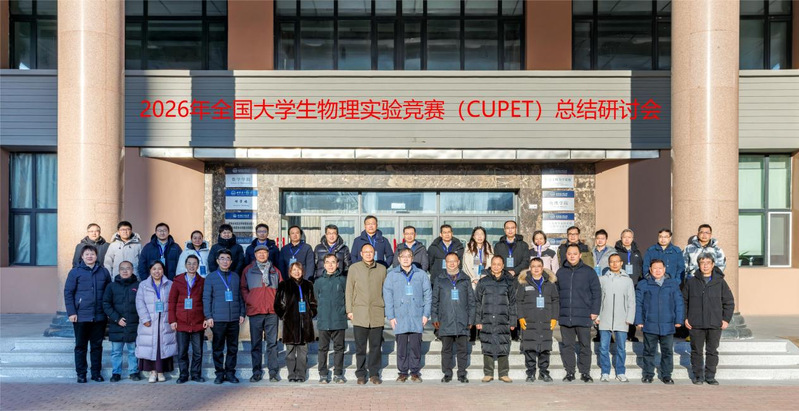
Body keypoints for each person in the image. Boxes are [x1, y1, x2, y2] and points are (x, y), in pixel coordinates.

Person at [683, 254, 735, 385]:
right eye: (702, 263)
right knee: (696, 351)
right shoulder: (691, 282)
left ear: (713, 265)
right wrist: (685, 318)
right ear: (698, 265)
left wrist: (726, 319)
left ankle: (710, 376)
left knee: (712, 351)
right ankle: (698, 376)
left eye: (708, 263)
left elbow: (729, 302)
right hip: (696, 323)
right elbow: (683, 302)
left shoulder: (720, 282)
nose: (705, 265)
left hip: (714, 323)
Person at [384, 248, 432, 383]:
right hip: (400, 315)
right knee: (401, 346)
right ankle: (403, 372)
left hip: (417, 315)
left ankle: (415, 372)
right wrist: (391, 316)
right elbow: (388, 296)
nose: (405, 259)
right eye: (403, 256)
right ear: (398, 259)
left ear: (412, 258)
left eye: (408, 256)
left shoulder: (421, 274)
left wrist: (426, 314)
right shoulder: (392, 275)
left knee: (416, 346)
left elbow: (428, 295)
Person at [65, 245, 111, 383]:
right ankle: (81, 374)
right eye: (87, 254)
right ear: (82, 256)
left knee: (97, 347)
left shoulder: (104, 272)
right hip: (81, 316)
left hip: (99, 316)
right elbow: (68, 293)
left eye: (92, 254)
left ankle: (96, 373)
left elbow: (109, 293)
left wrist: (108, 311)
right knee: (81, 346)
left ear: (96, 256)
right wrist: (72, 312)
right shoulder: (75, 272)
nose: (90, 256)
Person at [635, 259, 684, 384]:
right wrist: (639, 320)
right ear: (650, 270)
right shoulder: (643, 284)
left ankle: (666, 375)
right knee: (649, 351)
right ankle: (648, 374)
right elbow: (638, 303)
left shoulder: (672, 284)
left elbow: (679, 303)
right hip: (649, 323)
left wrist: (679, 319)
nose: (658, 271)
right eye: (655, 268)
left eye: (660, 268)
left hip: (668, 324)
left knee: (667, 352)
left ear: (664, 269)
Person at [557, 244, 601, 383]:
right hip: (566, 315)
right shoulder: (560, 272)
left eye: (575, 254)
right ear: (566, 255)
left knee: (585, 346)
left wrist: (595, 311)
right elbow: (556, 294)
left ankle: (585, 372)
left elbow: (596, 292)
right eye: (569, 254)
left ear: (580, 255)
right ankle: (570, 372)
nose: (572, 256)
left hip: (584, 315)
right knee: (567, 346)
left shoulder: (589, 272)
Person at [346, 244, 388, 385]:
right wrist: (349, 310)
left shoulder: (382, 269)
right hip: (360, 312)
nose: (368, 254)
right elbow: (349, 290)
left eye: (371, 252)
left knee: (376, 346)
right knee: (360, 347)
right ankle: (361, 374)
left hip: (377, 312)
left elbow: (386, 291)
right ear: (361, 253)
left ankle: (374, 373)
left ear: (374, 253)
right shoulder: (354, 268)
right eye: (366, 252)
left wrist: (386, 309)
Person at [240, 245, 283, 383]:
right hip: (255, 311)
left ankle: (273, 372)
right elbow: (243, 288)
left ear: (268, 254)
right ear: (255, 255)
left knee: (272, 344)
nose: (262, 255)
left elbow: (281, 289)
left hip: (271, 312)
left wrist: (277, 304)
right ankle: (256, 372)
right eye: (259, 253)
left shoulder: (275, 270)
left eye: (264, 252)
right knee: (256, 344)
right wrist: (250, 300)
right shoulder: (248, 270)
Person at [203, 249, 246, 384]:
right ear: (217, 261)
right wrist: (208, 316)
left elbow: (240, 297)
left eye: (227, 258)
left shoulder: (235, 276)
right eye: (222, 258)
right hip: (218, 319)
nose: (225, 261)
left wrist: (242, 313)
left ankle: (230, 372)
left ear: (231, 261)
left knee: (233, 348)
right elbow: (206, 298)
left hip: (233, 319)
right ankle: (219, 373)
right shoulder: (211, 277)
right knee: (218, 348)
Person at [431, 252, 475, 383]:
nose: (452, 263)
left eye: (454, 261)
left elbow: (471, 301)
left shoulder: (465, 279)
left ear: (458, 262)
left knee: (463, 350)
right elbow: (435, 301)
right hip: (445, 320)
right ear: (445, 263)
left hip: (462, 320)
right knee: (446, 350)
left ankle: (462, 373)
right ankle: (447, 373)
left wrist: (471, 319)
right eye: (449, 261)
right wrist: (435, 318)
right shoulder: (440, 279)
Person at [475, 255, 517, 383]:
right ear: (490, 265)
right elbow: (477, 302)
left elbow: (513, 302)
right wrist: (478, 320)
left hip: (503, 318)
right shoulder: (483, 282)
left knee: (503, 345)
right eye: (494, 264)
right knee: (487, 344)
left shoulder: (509, 282)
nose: (496, 267)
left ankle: (503, 373)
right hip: (486, 318)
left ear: (503, 266)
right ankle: (488, 373)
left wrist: (513, 320)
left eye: (499, 264)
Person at [516, 258, 559, 383]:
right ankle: (530, 372)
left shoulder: (550, 284)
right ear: (530, 268)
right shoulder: (524, 284)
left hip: (545, 320)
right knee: (529, 348)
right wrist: (521, 317)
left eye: (538, 266)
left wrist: (554, 317)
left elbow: (555, 300)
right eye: (533, 266)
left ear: (542, 268)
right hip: (529, 321)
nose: (536, 269)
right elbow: (518, 301)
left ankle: (544, 372)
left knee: (545, 348)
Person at [275, 262, 318, 383]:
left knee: (303, 352)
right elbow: (278, 303)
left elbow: (313, 302)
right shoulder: (284, 285)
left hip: (305, 323)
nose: (297, 272)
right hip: (290, 324)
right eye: (294, 270)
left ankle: (301, 374)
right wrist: (284, 315)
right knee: (290, 351)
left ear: (302, 271)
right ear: (290, 271)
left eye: (299, 269)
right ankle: (291, 374)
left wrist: (311, 313)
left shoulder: (308, 285)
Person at [596, 254, 636, 382]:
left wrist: (630, 317)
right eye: (612, 262)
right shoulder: (602, 279)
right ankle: (605, 372)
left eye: (617, 261)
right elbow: (598, 300)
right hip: (605, 318)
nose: (614, 264)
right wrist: (597, 316)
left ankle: (620, 371)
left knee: (621, 348)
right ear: (608, 264)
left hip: (622, 318)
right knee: (603, 347)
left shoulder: (627, 281)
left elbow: (631, 301)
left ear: (621, 263)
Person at [168, 254, 207, 384]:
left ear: (198, 266)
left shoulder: (202, 281)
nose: (191, 266)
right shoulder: (178, 281)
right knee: (182, 352)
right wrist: (172, 320)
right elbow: (172, 302)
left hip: (198, 322)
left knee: (198, 352)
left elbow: (205, 301)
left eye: (194, 264)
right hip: (181, 322)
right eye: (189, 263)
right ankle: (183, 374)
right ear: (185, 265)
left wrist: (206, 318)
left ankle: (196, 374)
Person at [135, 261, 177, 383]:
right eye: (154, 269)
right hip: (149, 322)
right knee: (150, 345)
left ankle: (161, 371)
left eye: (159, 269)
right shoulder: (143, 285)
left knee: (162, 346)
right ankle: (152, 372)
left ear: (163, 270)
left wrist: (172, 319)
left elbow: (173, 302)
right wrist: (145, 318)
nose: (157, 271)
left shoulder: (170, 284)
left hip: (165, 321)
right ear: (150, 270)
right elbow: (139, 302)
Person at [102, 261, 140, 382]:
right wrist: (116, 318)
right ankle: (116, 373)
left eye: (128, 268)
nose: (125, 271)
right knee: (116, 352)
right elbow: (106, 304)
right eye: (122, 268)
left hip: (133, 324)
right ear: (118, 271)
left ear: (132, 270)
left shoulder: (139, 285)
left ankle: (133, 372)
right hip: (116, 325)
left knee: (133, 351)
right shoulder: (111, 286)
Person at [313, 254, 349, 384]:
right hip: (324, 320)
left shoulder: (343, 280)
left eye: (333, 262)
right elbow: (315, 299)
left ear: (337, 264)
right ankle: (323, 373)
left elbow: (347, 298)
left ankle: (338, 373)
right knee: (323, 348)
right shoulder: (318, 282)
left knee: (339, 348)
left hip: (339, 319)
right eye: (327, 262)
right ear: (324, 264)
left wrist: (345, 312)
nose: (330, 265)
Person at [462, 226, 493, 342]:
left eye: (482, 234)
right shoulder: (468, 248)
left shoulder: (489, 248)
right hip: (472, 282)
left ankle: (483, 332)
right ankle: (472, 333)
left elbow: (491, 264)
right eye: (477, 234)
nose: (480, 236)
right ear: (473, 236)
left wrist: (484, 277)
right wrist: (474, 278)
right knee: (472, 307)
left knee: (484, 307)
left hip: (485, 281)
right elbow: (466, 265)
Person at [614, 229, 643, 342]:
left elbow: (640, 268)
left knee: (631, 309)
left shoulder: (637, 253)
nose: (627, 239)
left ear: (632, 238)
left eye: (629, 237)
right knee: (620, 309)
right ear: (621, 238)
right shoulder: (616, 252)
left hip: (634, 285)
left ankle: (631, 334)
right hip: (620, 285)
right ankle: (620, 333)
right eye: (624, 237)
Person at [427, 224, 465, 289]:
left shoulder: (458, 247)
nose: (447, 234)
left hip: (454, 278)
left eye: (449, 232)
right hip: (438, 279)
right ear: (441, 234)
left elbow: (460, 263)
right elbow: (430, 263)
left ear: (452, 233)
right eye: (444, 232)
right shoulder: (433, 247)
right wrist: (436, 272)